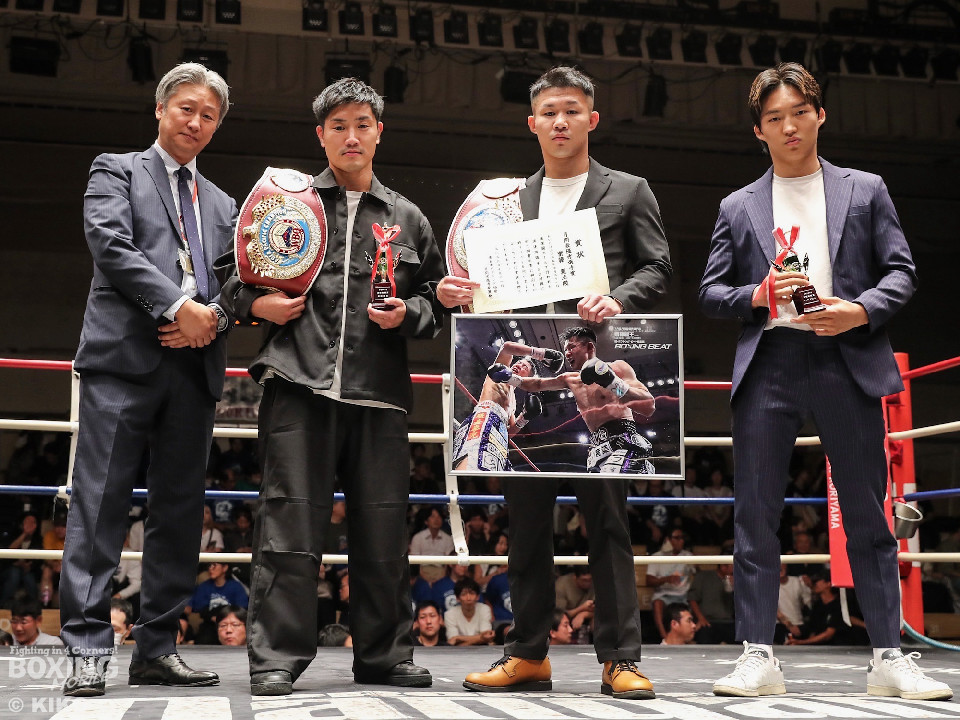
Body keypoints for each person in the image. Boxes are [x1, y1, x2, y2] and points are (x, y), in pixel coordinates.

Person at [700, 62, 950, 701]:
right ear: (758, 131)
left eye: (799, 113)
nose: (789, 126)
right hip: (771, 361)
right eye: (774, 118)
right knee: (755, 514)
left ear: (820, 115)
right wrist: (757, 296)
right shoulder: (737, 205)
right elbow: (711, 292)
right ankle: (758, 654)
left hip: (845, 357)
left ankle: (888, 656)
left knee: (867, 512)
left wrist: (859, 310)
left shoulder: (864, 190)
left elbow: (901, 272)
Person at [442, 66, 671, 701]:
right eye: (548, 112)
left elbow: (658, 266)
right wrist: (460, 292)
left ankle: (620, 658)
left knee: (609, 526)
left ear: (591, 119)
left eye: (571, 110)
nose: (560, 121)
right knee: (525, 527)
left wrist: (620, 299)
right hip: (538, 384)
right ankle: (527, 654)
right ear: (532, 123)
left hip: (597, 372)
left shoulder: (628, 190)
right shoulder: (508, 202)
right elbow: (482, 280)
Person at [215, 77, 443, 697]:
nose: (351, 136)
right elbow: (229, 279)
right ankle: (275, 658)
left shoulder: (408, 218)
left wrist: (410, 315)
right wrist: (257, 304)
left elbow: (436, 302)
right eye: (338, 125)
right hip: (298, 383)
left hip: (380, 393)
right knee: (288, 527)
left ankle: (384, 655)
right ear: (321, 135)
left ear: (379, 132)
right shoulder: (283, 204)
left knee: (384, 531)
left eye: (362, 124)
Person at [59, 62, 235, 698]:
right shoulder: (116, 169)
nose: (196, 122)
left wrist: (212, 320)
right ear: (161, 109)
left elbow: (237, 280)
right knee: (99, 504)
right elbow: (110, 243)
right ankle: (86, 647)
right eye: (186, 108)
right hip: (123, 361)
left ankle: (158, 647)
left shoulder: (223, 203)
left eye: (209, 115)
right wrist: (177, 306)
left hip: (193, 366)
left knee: (180, 512)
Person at [454, 341, 558, 472]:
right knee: (472, 462)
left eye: (524, 367)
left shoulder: (513, 402)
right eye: (518, 362)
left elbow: (509, 433)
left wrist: (525, 417)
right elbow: (507, 347)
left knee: (490, 472)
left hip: (499, 437)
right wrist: (541, 354)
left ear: (527, 378)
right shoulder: (498, 374)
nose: (519, 365)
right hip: (484, 418)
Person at [646, 530, 696, 641]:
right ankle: (666, 638)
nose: (681, 541)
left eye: (682, 538)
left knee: (694, 599)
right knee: (657, 603)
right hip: (664, 595)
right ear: (668, 539)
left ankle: (688, 639)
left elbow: (697, 573)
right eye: (677, 538)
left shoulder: (688, 556)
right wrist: (666, 579)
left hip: (683, 595)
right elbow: (649, 581)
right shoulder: (657, 556)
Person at [688, 563, 735, 645]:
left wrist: (736, 587)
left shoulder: (738, 578)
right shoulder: (703, 576)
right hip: (708, 621)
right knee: (704, 637)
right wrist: (700, 618)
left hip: (729, 622)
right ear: (723, 566)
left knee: (740, 640)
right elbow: (692, 599)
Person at [443, 578, 494, 646]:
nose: (468, 598)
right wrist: (481, 638)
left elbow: (487, 636)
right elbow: (452, 641)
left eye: (472, 593)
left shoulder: (484, 609)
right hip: (458, 652)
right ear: (457, 598)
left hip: (482, 649)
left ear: (478, 596)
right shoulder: (449, 614)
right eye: (464, 594)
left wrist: (458, 638)